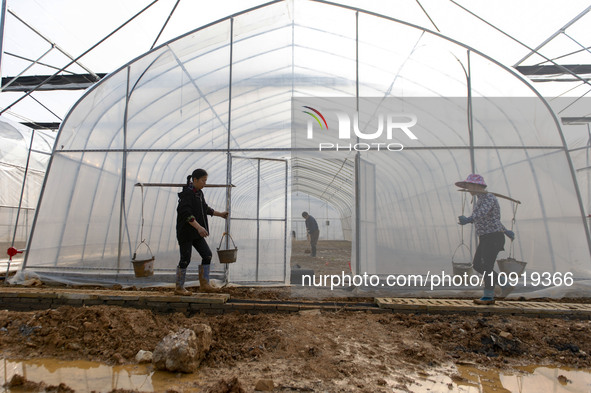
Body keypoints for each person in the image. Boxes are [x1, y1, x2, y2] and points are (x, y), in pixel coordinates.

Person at [455, 174, 515, 305]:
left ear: (478, 186)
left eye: (469, 186)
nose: (468, 189)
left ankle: (488, 296)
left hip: (493, 236)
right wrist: (506, 231)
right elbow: (493, 219)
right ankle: (504, 283)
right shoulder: (479, 200)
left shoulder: (489, 198)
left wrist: (469, 219)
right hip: (486, 237)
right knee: (477, 264)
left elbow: (481, 214)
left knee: (487, 266)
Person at [175, 168, 229, 295]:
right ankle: (179, 288)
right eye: (203, 180)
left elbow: (204, 208)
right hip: (186, 232)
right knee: (185, 259)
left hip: (196, 232)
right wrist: (199, 227)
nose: (205, 183)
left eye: (206, 180)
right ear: (195, 180)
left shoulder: (199, 193)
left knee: (207, 255)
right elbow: (186, 214)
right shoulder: (187, 194)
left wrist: (220, 214)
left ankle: (204, 285)